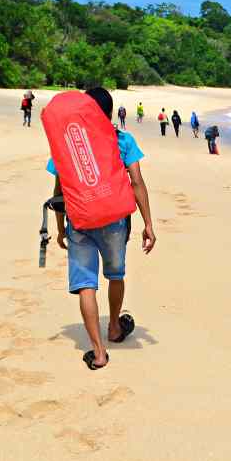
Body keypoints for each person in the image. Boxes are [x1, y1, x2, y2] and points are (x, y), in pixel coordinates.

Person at [47, 87, 157, 370]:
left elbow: (60, 188)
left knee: (86, 285)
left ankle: (98, 353)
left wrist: (60, 227)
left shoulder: (68, 144)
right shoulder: (122, 140)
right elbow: (136, 182)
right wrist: (148, 223)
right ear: (108, 112)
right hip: (114, 222)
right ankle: (115, 328)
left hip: (79, 221)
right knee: (115, 274)